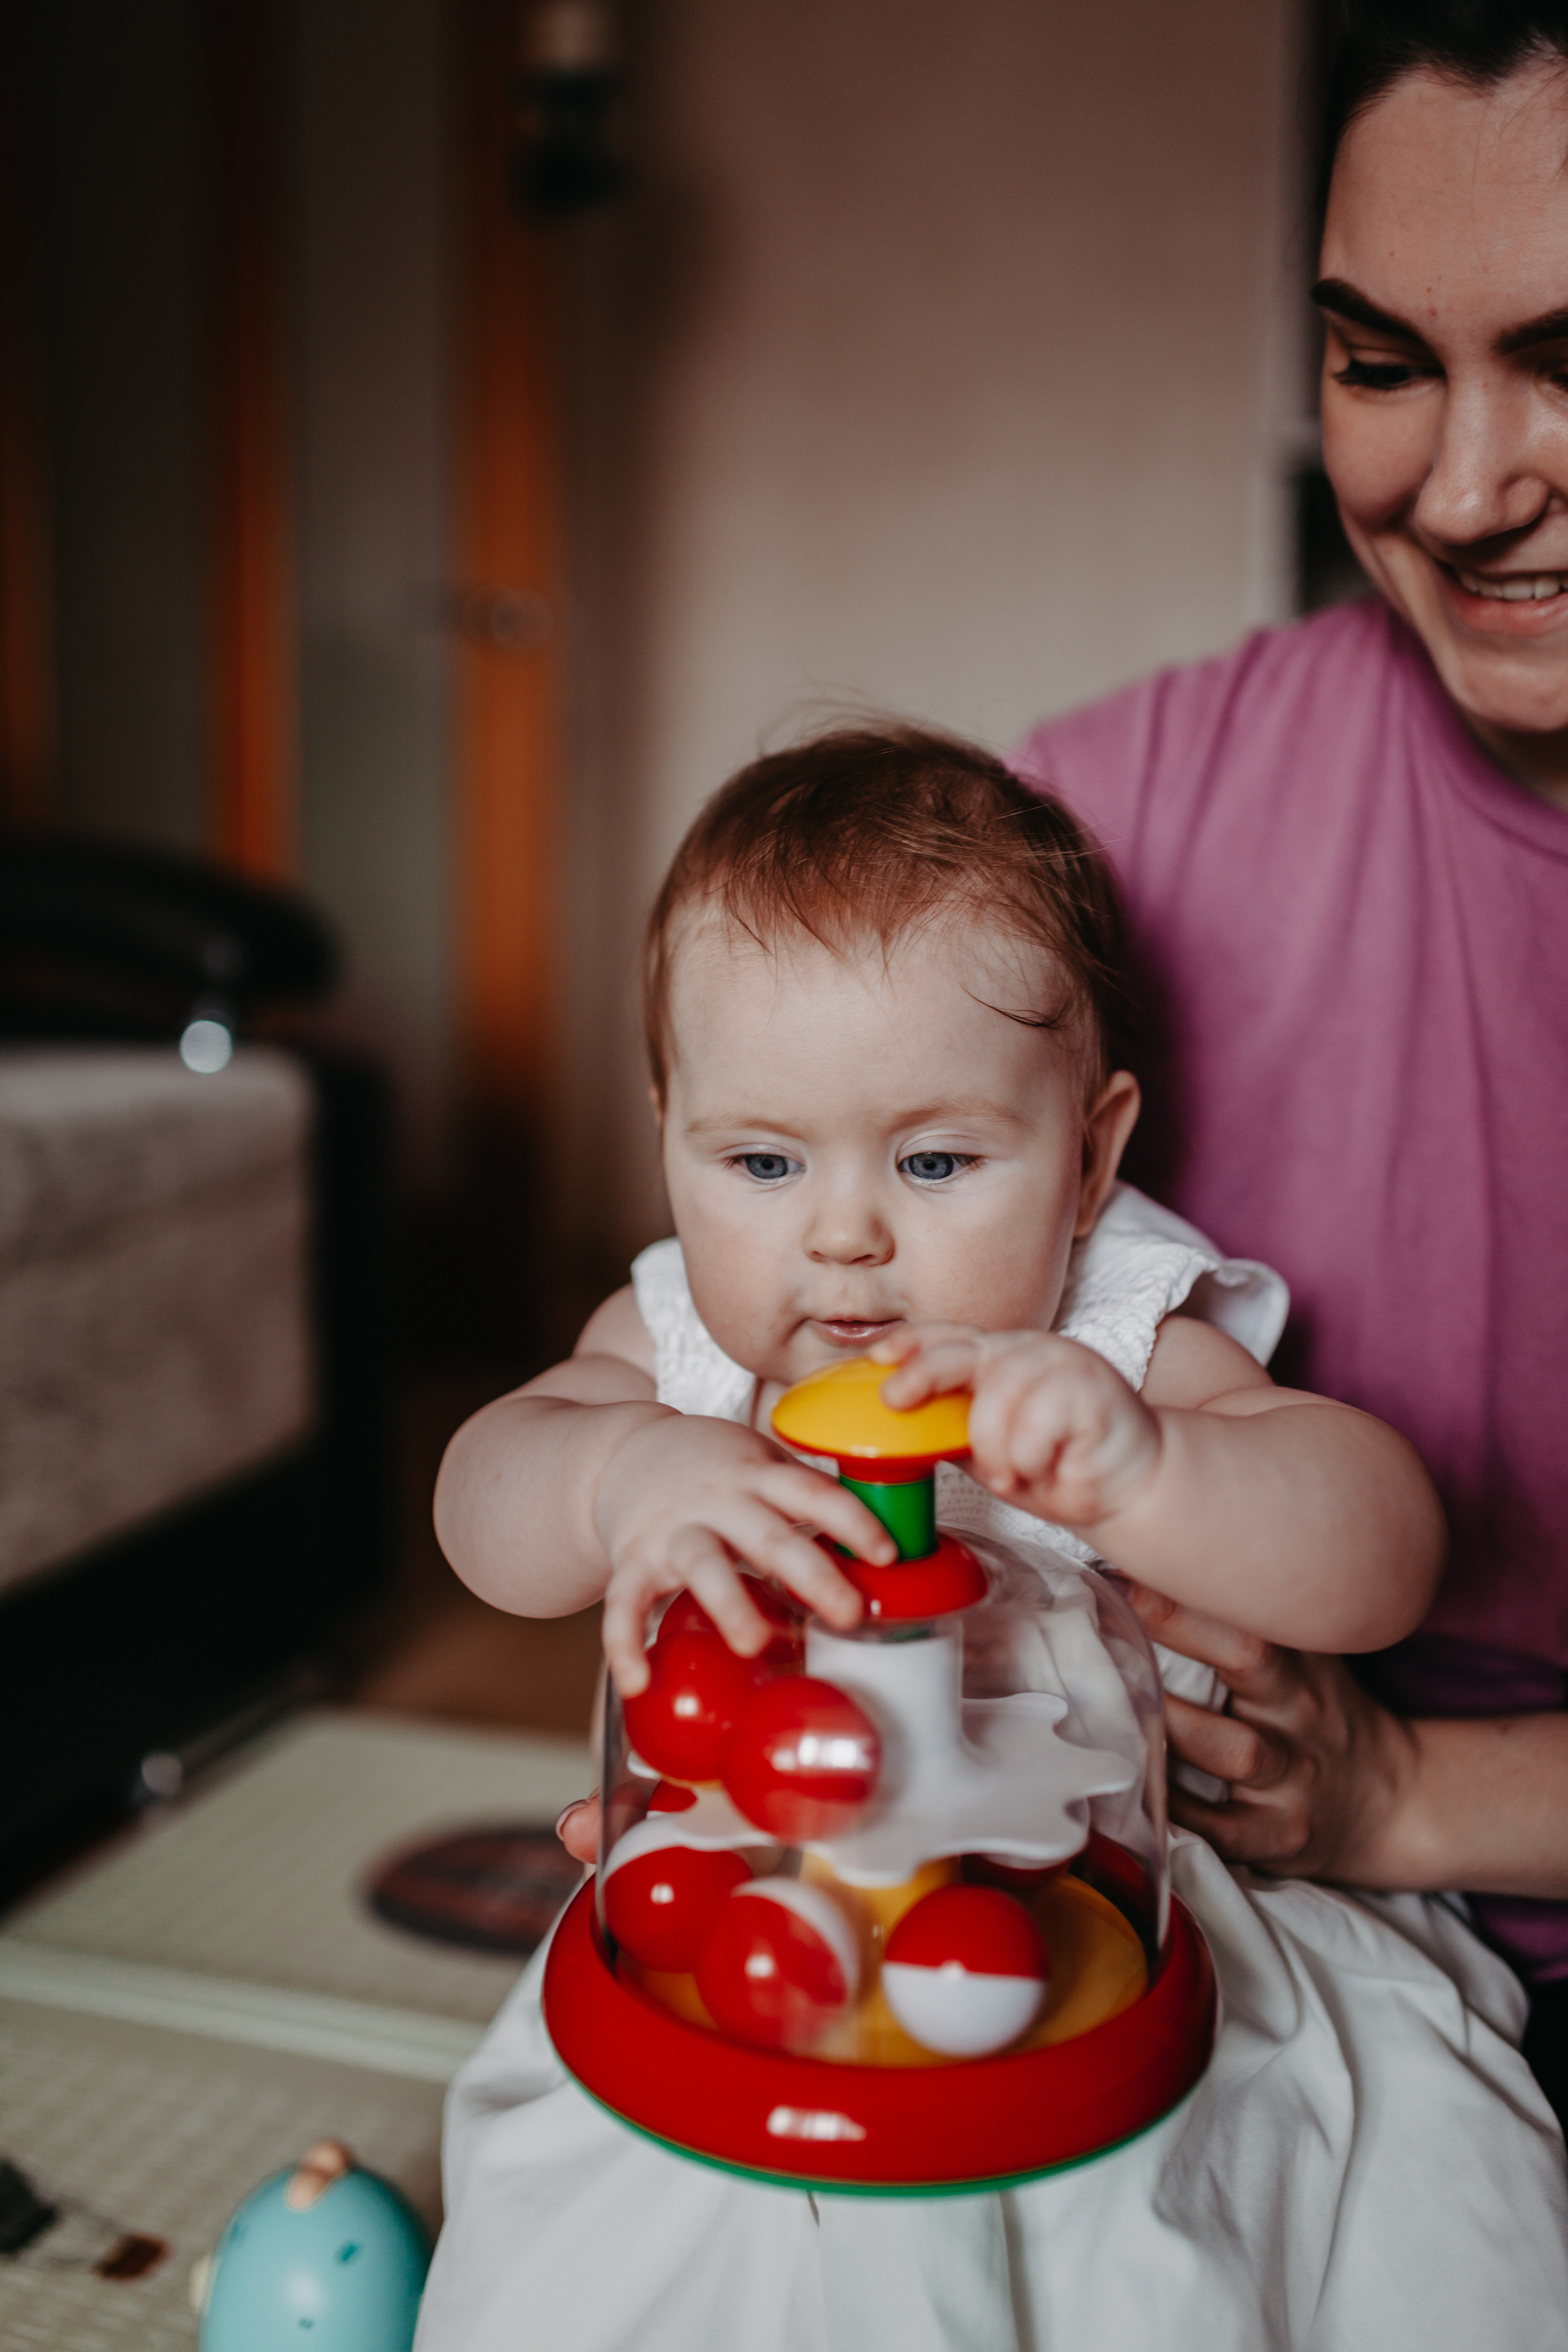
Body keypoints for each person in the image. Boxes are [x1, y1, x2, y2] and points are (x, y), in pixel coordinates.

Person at [413, 729, 1568, 2352]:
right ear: (669, 1128)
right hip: (770, 1909)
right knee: (609, 2244)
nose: (842, 1234)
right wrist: (618, 1477)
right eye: (756, 1161)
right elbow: (483, 1503)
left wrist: (1149, 1469)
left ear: (1089, 1156)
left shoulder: (1109, 1334)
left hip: (1124, 1910)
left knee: (1221, 2234)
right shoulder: (677, 1343)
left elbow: (1387, 1557)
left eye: (939, 1159)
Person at [1010, 0, 1568, 2127]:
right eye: (1378, 360)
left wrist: (1411, 1791)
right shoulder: (1110, 832)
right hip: (1180, 1910)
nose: (1461, 484)